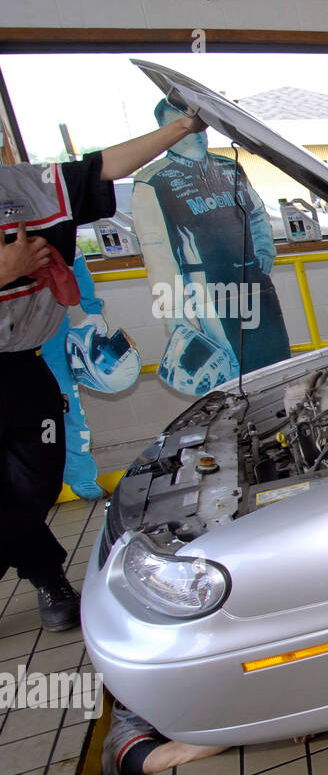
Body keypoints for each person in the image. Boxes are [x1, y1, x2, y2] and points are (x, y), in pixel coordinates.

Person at [2, 112, 206, 630]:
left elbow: (102, 168)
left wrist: (181, 127)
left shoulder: (25, 187)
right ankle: (49, 576)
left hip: (22, 368)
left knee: (33, 488)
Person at [133, 97, 289, 396]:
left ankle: (282, 426)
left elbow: (256, 213)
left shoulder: (229, 168)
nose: (197, 133)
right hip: (209, 293)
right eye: (184, 126)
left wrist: (265, 249)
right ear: (165, 131)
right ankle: (245, 437)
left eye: (200, 125)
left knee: (276, 362)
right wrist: (177, 319)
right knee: (233, 377)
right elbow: (158, 255)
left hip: (256, 283)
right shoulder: (153, 182)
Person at [42, 250, 142, 500]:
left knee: (64, 409)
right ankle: (39, 481)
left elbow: (74, 260)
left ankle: (79, 477)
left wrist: (92, 309)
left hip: (49, 329)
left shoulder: (46, 217)